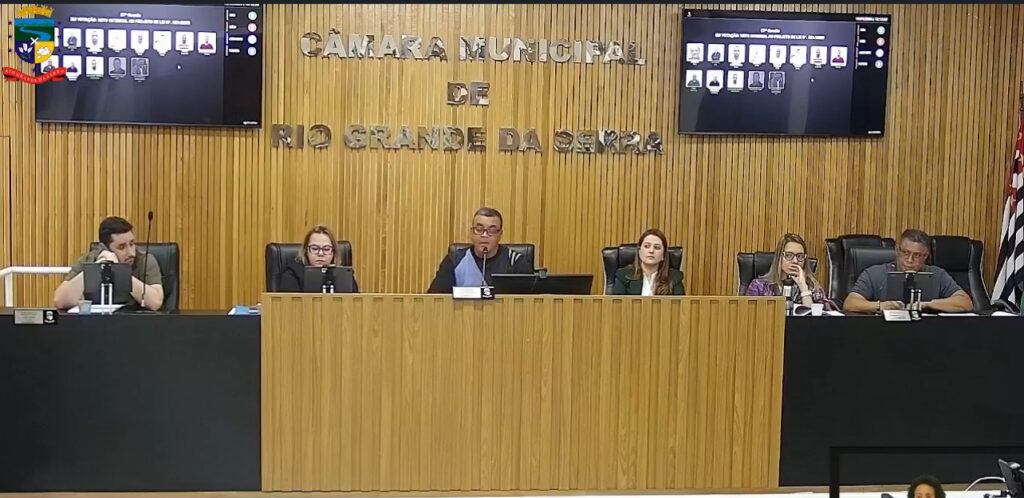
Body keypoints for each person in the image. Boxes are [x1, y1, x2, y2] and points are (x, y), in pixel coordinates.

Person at [843, 229, 973, 313]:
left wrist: (927, 304)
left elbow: (965, 303)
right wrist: (880, 306)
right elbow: (850, 303)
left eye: (917, 255)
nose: (910, 260)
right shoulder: (874, 273)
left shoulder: (938, 274)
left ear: (926, 256)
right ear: (897, 251)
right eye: (905, 253)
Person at [53, 216, 163, 311]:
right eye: (122, 247)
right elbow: (60, 301)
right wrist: (95, 269)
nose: (131, 253)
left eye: (132, 244)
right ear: (104, 248)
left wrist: (120, 271)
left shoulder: (144, 260)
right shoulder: (88, 260)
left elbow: (155, 303)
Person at [427, 207, 533, 293]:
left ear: (500, 234)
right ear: (472, 232)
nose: (484, 235)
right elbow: (436, 299)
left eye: (491, 230)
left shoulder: (516, 261)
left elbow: (527, 303)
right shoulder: (454, 260)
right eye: (479, 229)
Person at [746, 233, 835, 309]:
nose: (795, 261)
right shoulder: (759, 286)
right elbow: (748, 316)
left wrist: (804, 288)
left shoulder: (814, 287)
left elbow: (817, 320)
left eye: (800, 256)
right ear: (779, 257)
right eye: (789, 255)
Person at [277, 224, 359, 292]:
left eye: (326, 249)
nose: (320, 253)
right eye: (315, 248)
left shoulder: (345, 276)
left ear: (334, 252)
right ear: (306, 251)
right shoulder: (292, 274)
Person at [610, 228, 684, 296]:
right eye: (646, 246)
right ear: (639, 251)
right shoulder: (623, 275)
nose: (651, 251)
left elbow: (680, 305)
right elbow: (617, 304)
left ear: (663, 255)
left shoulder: (674, 278)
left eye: (657, 247)